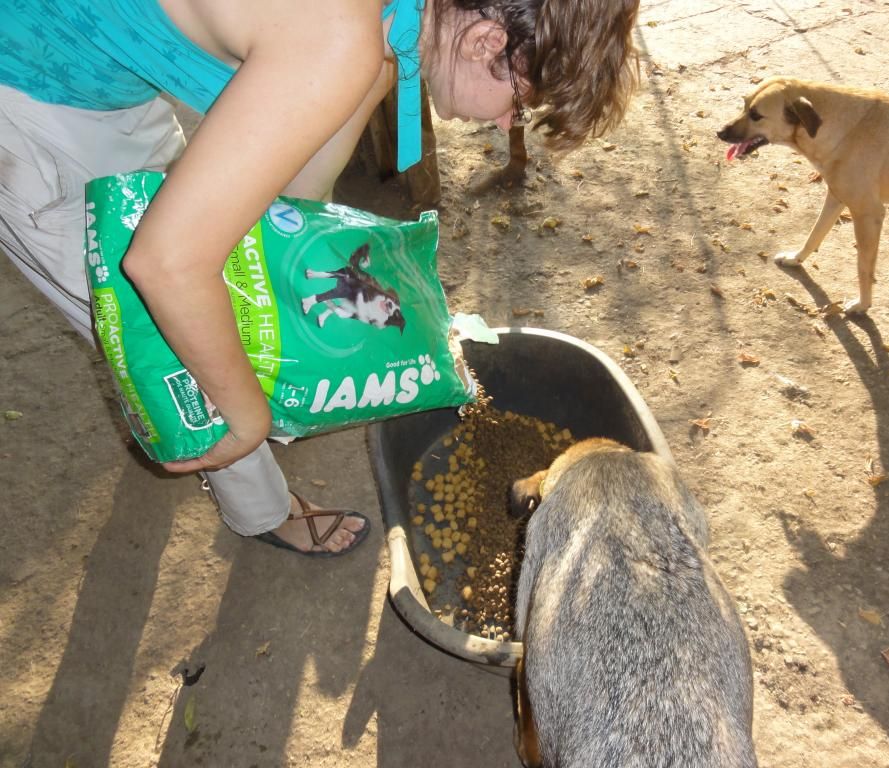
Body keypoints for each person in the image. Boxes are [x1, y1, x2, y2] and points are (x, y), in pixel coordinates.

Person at [0, 0, 640, 555]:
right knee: (167, 338)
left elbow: (297, 199)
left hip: (107, 61)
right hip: (26, 76)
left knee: (212, 289)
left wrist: (395, 310)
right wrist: (248, 416)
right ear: (486, 41)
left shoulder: (394, 31)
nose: (506, 126)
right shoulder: (341, 39)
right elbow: (163, 263)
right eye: (521, 105)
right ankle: (264, 512)